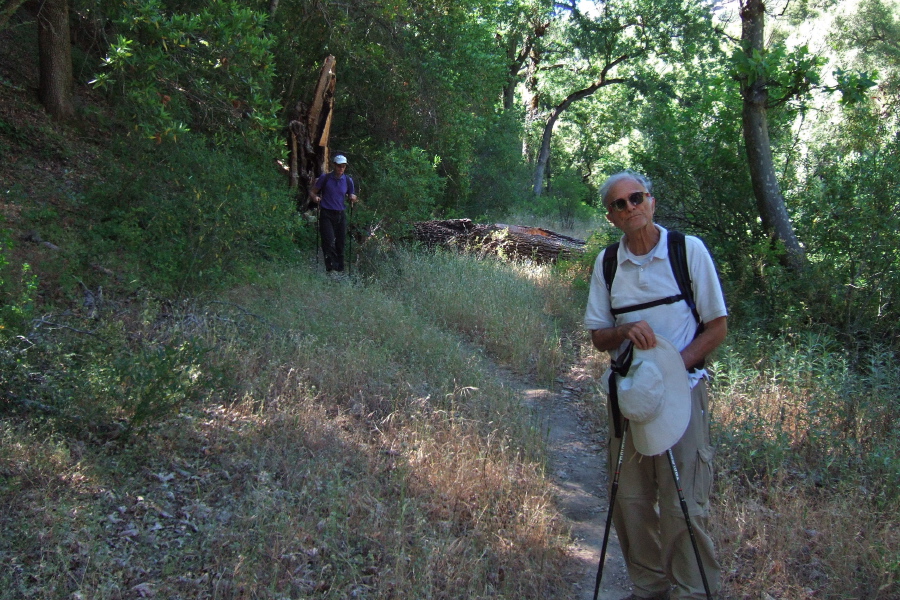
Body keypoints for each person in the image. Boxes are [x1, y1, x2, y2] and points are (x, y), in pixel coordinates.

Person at [584, 170, 728, 600]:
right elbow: (597, 336)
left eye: (636, 198)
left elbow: (717, 327)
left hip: (683, 392)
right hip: (630, 398)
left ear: (651, 201)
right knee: (631, 503)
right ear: (611, 217)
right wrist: (625, 329)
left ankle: (692, 591)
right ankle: (648, 589)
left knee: (685, 503)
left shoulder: (688, 251)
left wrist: (671, 370)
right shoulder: (608, 263)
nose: (630, 207)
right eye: (619, 204)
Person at [311, 154, 358, 276]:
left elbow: (352, 195)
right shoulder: (325, 178)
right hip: (326, 213)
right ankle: (331, 270)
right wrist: (315, 198)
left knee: (341, 242)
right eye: (339, 166)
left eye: (343, 166)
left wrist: (353, 198)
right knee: (329, 241)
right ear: (334, 165)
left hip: (340, 214)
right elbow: (313, 191)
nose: (341, 169)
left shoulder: (348, 180)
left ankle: (340, 270)